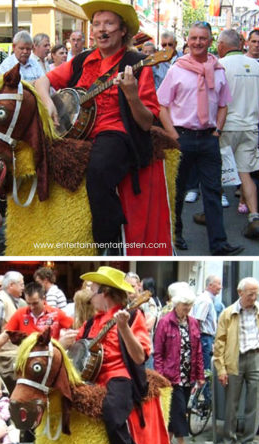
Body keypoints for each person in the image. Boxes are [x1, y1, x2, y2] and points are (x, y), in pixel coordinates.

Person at [37, 1, 174, 256]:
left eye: (109, 24)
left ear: (123, 31)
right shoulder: (82, 60)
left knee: (98, 171)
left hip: (115, 130)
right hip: (77, 129)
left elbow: (145, 122)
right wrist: (49, 104)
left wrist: (131, 94)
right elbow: (42, 81)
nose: (102, 30)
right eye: (97, 24)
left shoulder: (138, 63)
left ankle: (108, 244)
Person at [157, 21, 243, 256]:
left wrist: (218, 131)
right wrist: (173, 135)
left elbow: (224, 105)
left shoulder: (218, 70)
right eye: (193, 38)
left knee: (214, 192)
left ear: (210, 41)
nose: (197, 42)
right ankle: (175, 236)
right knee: (177, 192)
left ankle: (218, 244)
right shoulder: (177, 69)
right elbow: (161, 105)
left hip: (208, 139)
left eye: (202, 38)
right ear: (188, 40)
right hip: (181, 137)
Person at [66, 266, 153, 444]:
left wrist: (124, 327)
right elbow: (77, 353)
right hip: (91, 378)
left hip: (119, 374)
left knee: (113, 410)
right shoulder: (90, 323)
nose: (89, 296)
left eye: (93, 291)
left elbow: (139, 356)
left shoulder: (133, 315)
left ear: (105, 292)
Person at [217, 29, 259, 237]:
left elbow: (215, 99)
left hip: (227, 125)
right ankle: (254, 216)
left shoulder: (221, 65)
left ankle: (213, 212)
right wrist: (255, 121)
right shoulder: (257, 66)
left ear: (222, 45)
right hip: (250, 126)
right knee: (246, 172)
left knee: (216, 169)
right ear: (242, 44)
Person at [153, 285, 204, 444]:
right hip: (170, 376)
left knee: (176, 411)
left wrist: (200, 375)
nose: (187, 308)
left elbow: (197, 351)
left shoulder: (193, 323)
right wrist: (160, 376)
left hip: (188, 375)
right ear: (176, 304)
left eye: (189, 305)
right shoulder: (165, 322)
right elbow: (158, 352)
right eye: (184, 305)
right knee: (180, 411)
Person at [215, 277, 259, 444]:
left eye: (256, 293)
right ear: (240, 292)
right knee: (231, 404)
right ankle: (229, 441)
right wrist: (221, 368)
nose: (254, 297)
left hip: (256, 357)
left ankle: (248, 443)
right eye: (251, 293)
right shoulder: (228, 313)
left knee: (255, 403)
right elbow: (219, 342)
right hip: (234, 359)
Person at [191, 275, 221, 380]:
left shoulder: (205, 299)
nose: (220, 287)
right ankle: (205, 395)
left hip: (205, 338)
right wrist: (197, 339)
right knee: (205, 370)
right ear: (210, 285)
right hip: (204, 338)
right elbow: (198, 320)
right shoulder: (206, 300)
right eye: (218, 284)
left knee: (204, 369)